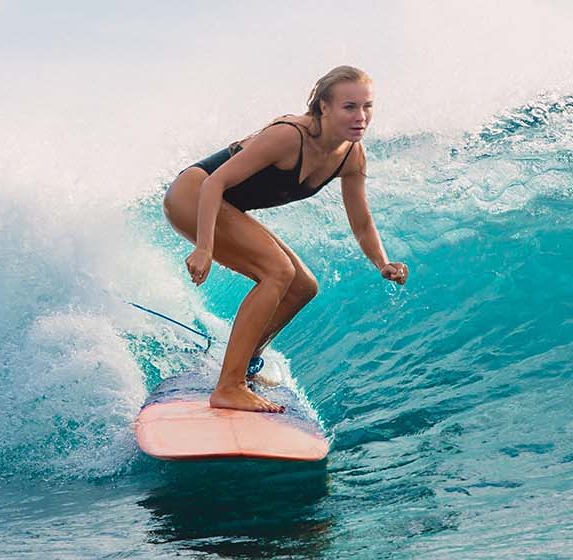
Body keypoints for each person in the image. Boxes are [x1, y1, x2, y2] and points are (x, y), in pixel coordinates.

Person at [162, 65, 409, 413]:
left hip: (226, 205)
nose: (361, 116)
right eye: (349, 106)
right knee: (277, 271)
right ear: (324, 106)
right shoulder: (289, 136)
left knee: (303, 286)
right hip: (193, 194)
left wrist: (382, 263)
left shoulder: (351, 155)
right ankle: (228, 386)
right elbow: (214, 183)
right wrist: (204, 247)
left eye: (367, 106)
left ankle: (244, 364)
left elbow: (362, 220)